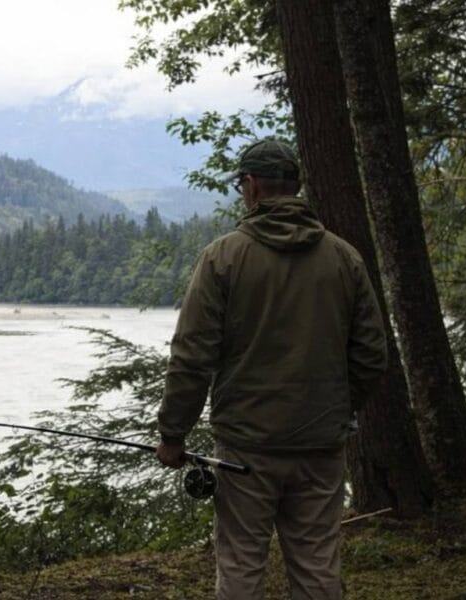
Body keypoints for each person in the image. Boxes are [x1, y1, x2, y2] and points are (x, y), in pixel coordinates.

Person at [155, 139, 387, 600]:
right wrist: (335, 409)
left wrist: (172, 434)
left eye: (242, 184)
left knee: (241, 562)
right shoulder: (345, 258)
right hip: (321, 444)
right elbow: (371, 356)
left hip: (246, 448)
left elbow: (192, 356)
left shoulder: (223, 257)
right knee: (317, 563)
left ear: (253, 187)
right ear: (296, 187)